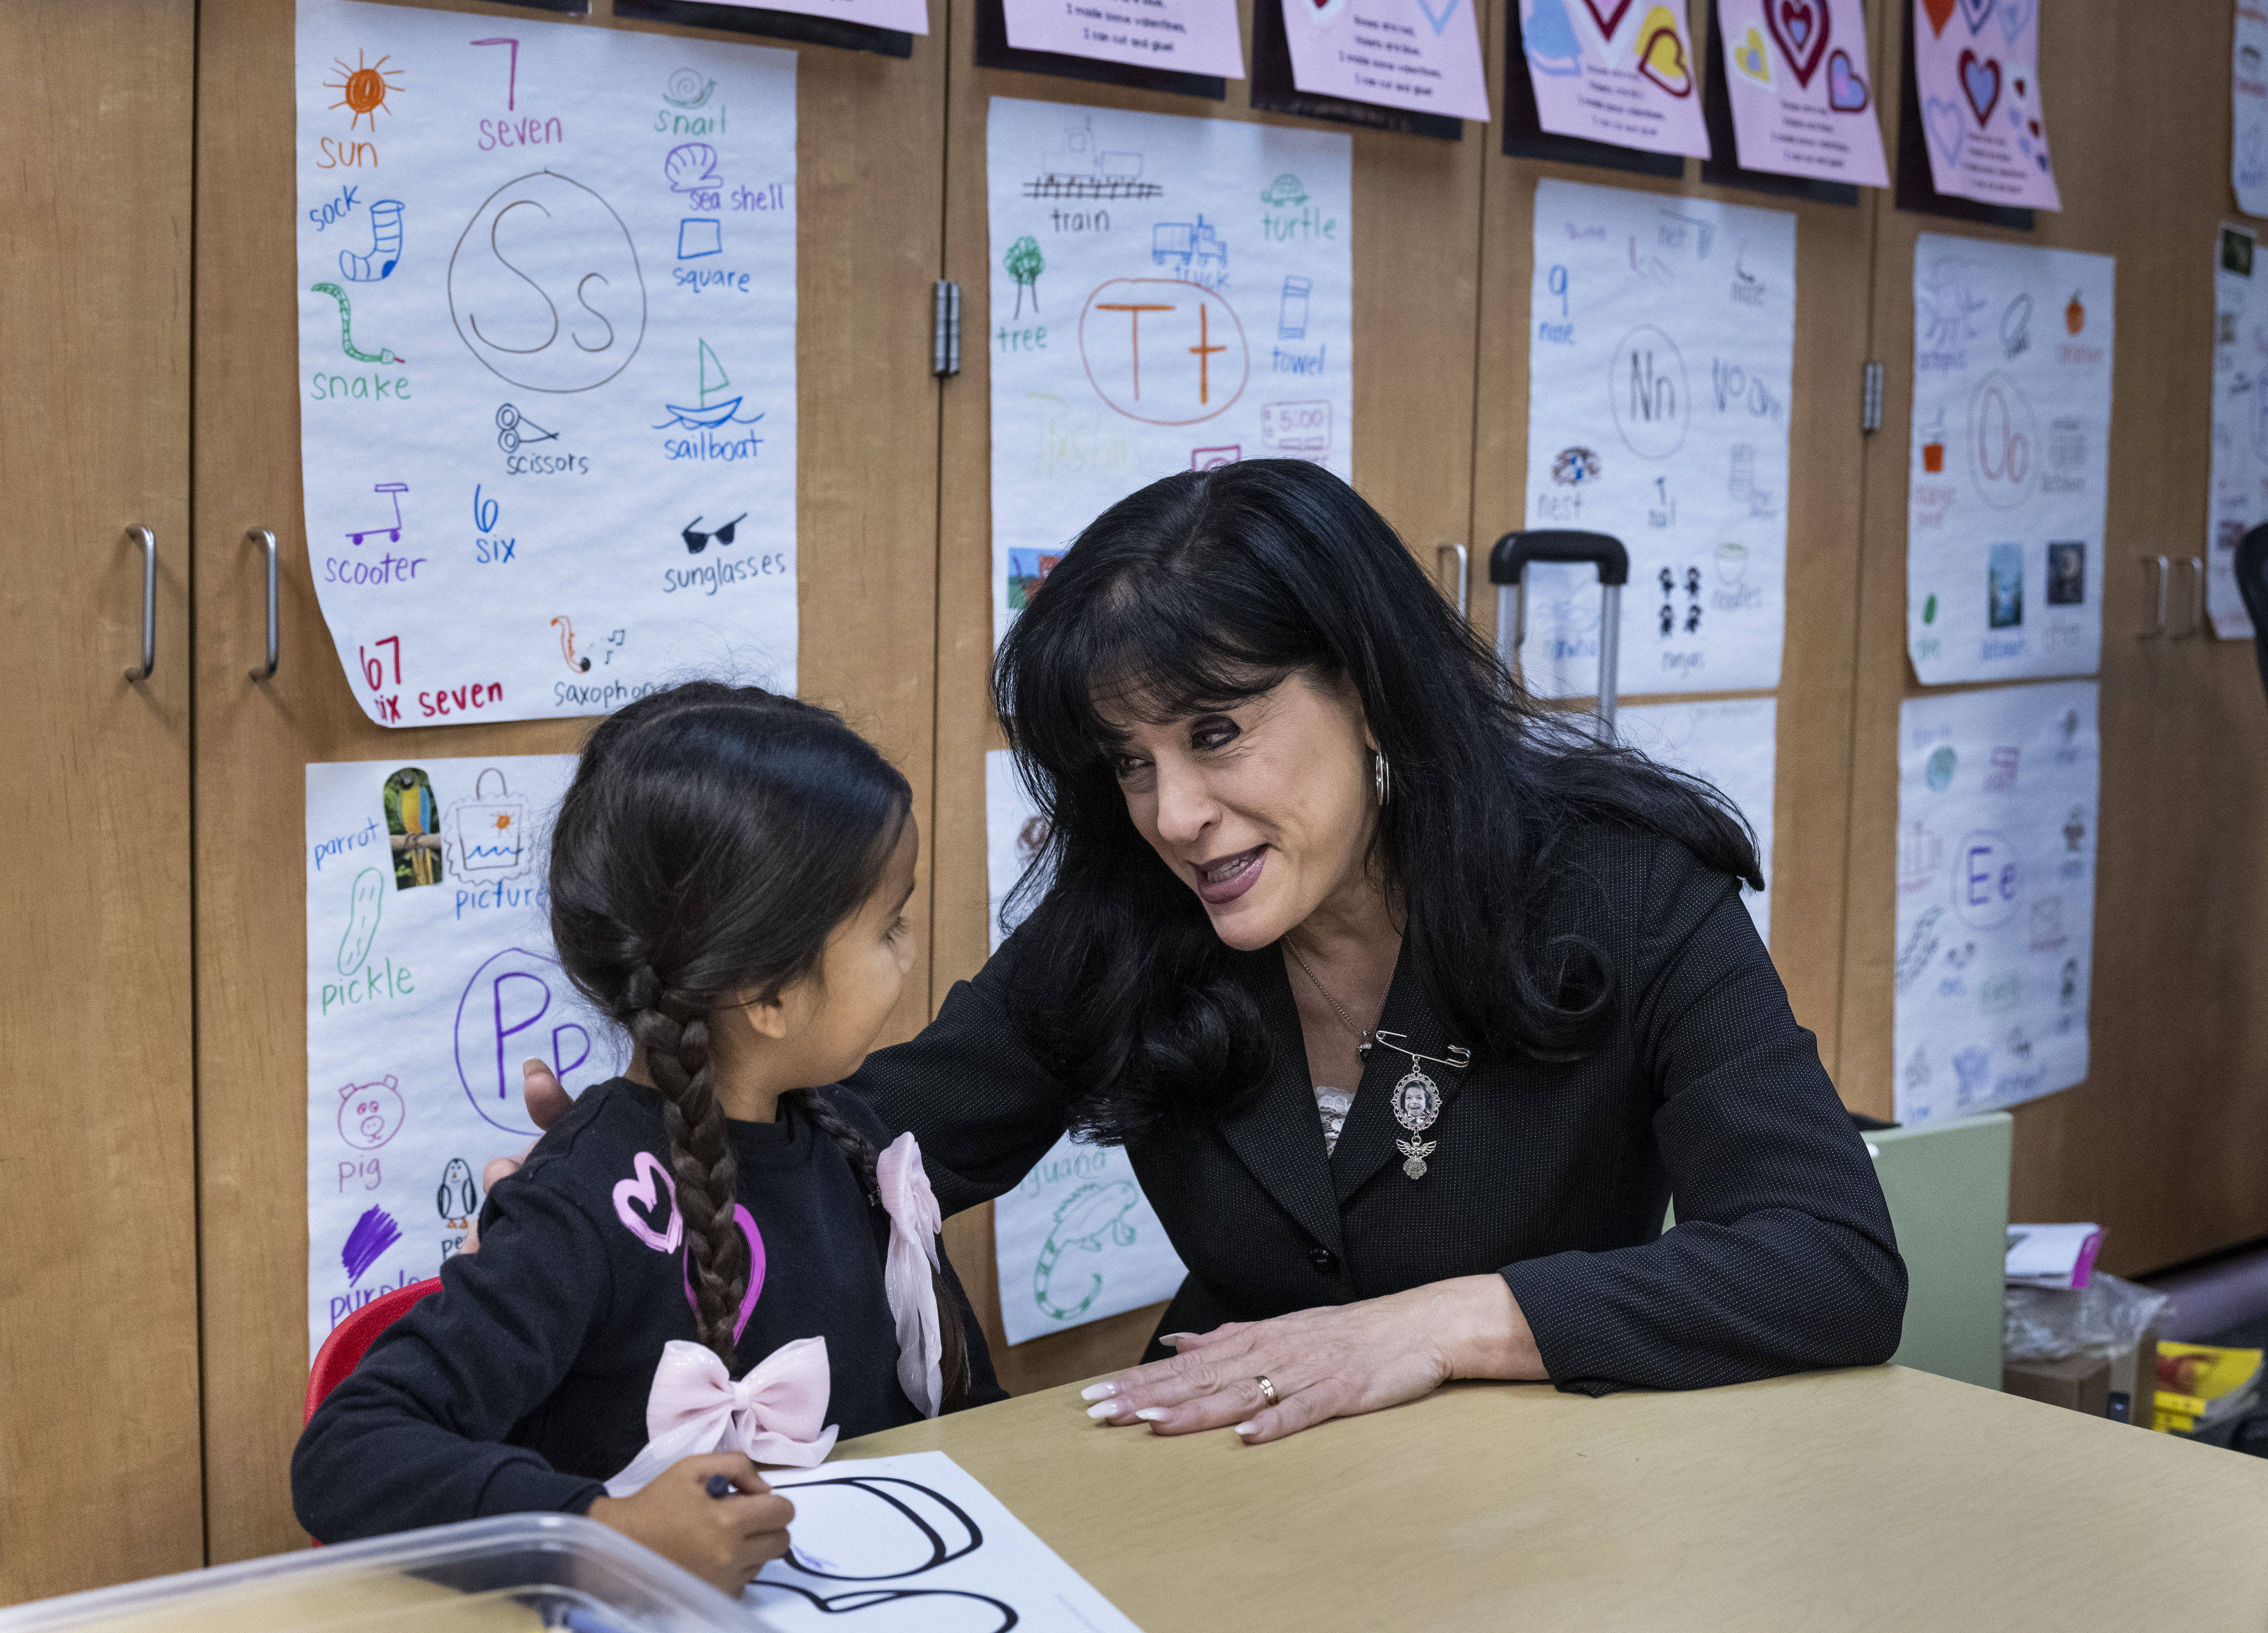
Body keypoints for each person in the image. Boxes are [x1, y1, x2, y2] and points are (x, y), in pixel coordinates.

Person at [510, 460, 1905, 1447]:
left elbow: (1827, 1261)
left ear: (1362, 688)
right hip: (1237, 1486)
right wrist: (646, 1159)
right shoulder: (1133, 916)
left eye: (1216, 733)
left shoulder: (1622, 888)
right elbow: (886, 1134)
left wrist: (1432, 1327)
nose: (1173, 815)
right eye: (1127, 760)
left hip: (1539, 1488)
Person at [294, 685, 1002, 1592]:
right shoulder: (583, 1200)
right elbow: (348, 1452)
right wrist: (603, 1535)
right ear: (770, 996)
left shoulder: (850, 1141)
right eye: (889, 925)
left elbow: (967, 1418)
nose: (909, 954)